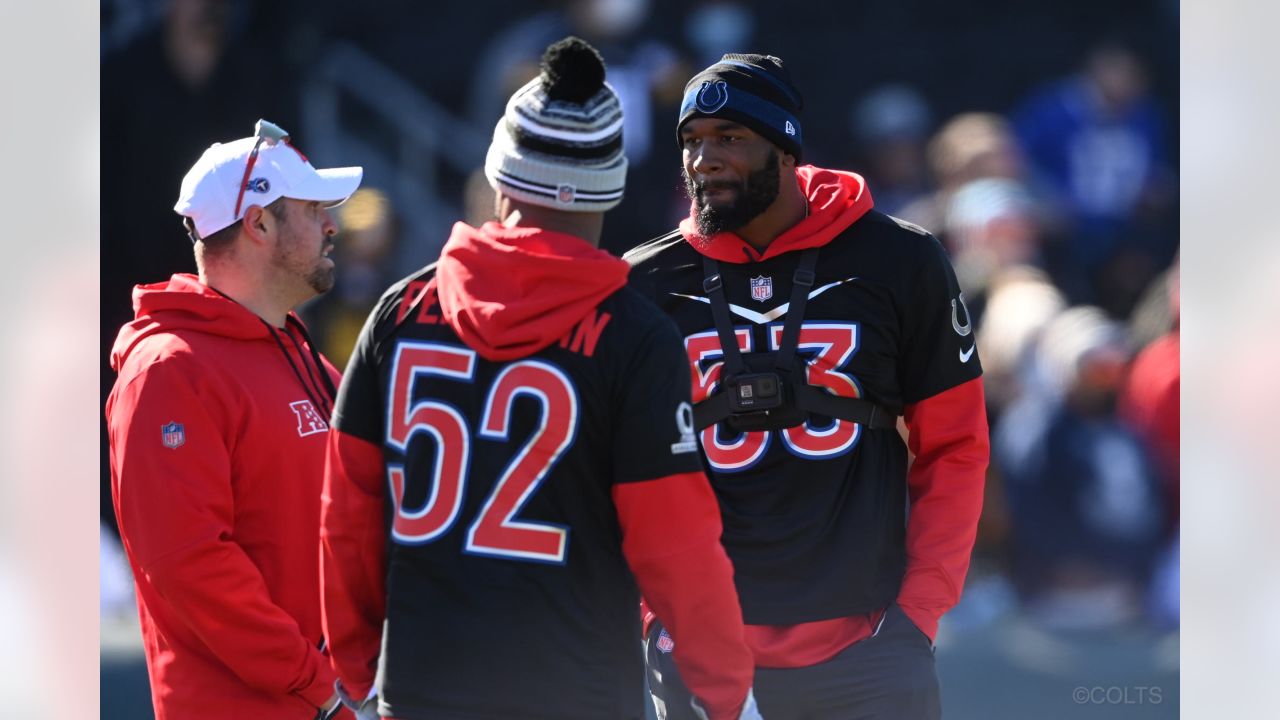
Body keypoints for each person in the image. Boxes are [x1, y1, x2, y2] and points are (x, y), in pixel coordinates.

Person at [319, 37, 759, 720]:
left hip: (422, 691)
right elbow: (676, 544)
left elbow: (348, 521)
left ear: (499, 180)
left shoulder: (396, 314)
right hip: (577, 695)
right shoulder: (636, 338)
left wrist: (356, 669)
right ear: (610, 185)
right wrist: (724, 688)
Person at [625, 54, 991, 720]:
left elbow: (957, 446)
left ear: (784, 146)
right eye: (692, 141)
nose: (704, 158)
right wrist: (656, 620)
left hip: (868, 648)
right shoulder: (642, 282)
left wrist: (917, 616)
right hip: (700, 654)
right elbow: (616, 471)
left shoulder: (899, 259)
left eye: (730, 138)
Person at [105, 119, 363, 720]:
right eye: (313, 208)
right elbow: (191, 566)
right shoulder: (168, 372)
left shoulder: (303, 356)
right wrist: (322, 689)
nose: (333, 224)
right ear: (259, 223)